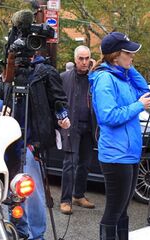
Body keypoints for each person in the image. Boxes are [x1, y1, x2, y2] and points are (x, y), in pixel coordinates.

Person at [88, 32, 150, 240]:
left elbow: (144, 89)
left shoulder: (121, 75)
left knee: (123, 210)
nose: (133, 56)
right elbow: (109, 117)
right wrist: (138, 106)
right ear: (115, 56)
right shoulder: (106, 79)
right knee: (114, 209)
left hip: (128, 152)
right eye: (128, 53)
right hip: (115, 155)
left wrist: (129, 67)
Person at [0, 49, 70, 240]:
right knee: (12, 192)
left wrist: (62, 115)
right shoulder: (9, 74)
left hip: (32, 142)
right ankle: (19, 231)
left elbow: (58, 100)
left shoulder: (44, 73)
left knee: (32, 192)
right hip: (9, 142)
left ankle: (37, 236)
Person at [59, 45, 96, 215]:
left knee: (86, 164)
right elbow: (57, 100)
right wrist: (59, 118)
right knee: (70, 164)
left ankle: (78, 195)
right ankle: (65, 200)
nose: (84, 62)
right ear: (75, 59)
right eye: (81, 58)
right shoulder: (64, 77)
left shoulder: (94, 78)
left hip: (89, 126)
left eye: (87, 58)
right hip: (71, 126)